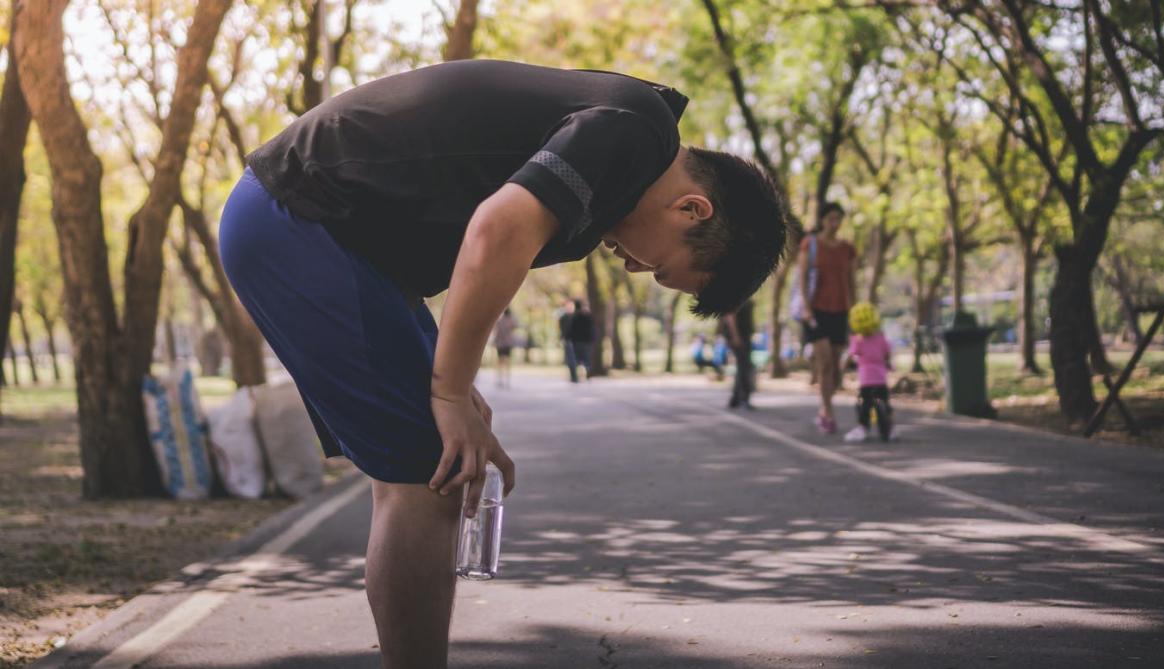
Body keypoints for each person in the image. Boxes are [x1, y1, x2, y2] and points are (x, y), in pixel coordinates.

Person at [217, 59, 788, 668]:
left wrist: (452, 383)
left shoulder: (623, 153)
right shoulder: (636, 132)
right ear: (692, 210)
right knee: (425, 476)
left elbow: (456, 237)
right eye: (662, 268)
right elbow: (496, 230)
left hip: (334, 237)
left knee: (433, 466)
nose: (635, 267)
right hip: (295, 215)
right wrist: (447, 393)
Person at [798, 201, 856, 434]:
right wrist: (806, 307)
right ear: (822, 220)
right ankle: (827, 411)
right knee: (825, 363)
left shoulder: (847, 248)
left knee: (836, 366)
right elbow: (802, 279)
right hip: (816, 310)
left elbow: (851, 282)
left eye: (838, 218)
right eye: (831, 217)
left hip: (840, 310)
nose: (835, 222)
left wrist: (854, 311)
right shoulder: (810, 244)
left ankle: (825, 406)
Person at [843, 302, 894, 442]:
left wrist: (844, 368)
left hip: (866, 381)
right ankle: (889, 429)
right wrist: (888, 363)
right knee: (885, 403)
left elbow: (850, 356)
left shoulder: (857, 340)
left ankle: (863, 428)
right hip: (881, 380)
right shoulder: (881, 337)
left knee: (864, 405)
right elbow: (887, 354)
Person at [723, 299, 756, 409]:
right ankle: (744, 398)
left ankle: (735, 399)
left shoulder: (747, 292)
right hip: (739, 335)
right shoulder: (736, 294)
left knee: (742, 366)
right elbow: (729, 315)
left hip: (744, 334)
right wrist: (735, 335)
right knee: (744, 367)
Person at [561, 299, 594, 383]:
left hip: (576, 342)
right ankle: (587, 373)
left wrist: (566, 337)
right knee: (586, 359)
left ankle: (575, 376)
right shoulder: (587, 316)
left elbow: (570, 330)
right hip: (586, 341)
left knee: (575, 359)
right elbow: (591, 329)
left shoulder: (573, 317)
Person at [492, 308, 519, 388]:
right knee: (507, 362)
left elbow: (495, 331)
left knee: (499, 362)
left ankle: (499, 379)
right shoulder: (511, 321)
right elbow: (516, 326)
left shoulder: (499, 321)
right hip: (508, 344)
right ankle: (507, 380)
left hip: (500, 344)